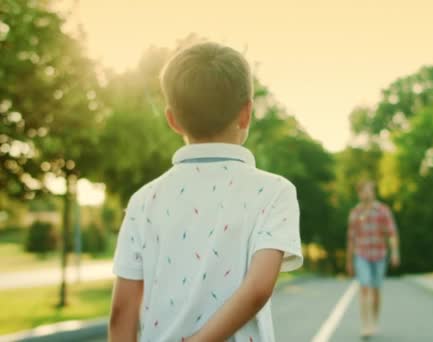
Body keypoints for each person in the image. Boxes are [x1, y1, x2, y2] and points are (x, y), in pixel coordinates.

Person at [109, 42, 303, 342]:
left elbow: (122, 313)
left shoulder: (143, 200)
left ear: (172, 120)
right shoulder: (275, 192)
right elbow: (258, 288)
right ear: (247, 113)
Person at [346, 181, 400, 338]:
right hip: (361, 255)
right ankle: (365, 325)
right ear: (359, 193)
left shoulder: (383, 211)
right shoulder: (355, 213)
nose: (367, 193)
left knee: (376, 290)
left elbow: (392, 234)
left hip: (380, 255)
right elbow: (351, 239)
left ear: (374, 192)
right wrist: (349, 261)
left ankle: (374, 320)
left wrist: (395, 252)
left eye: (370, 190)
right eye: (364, 191)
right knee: (364, 287)